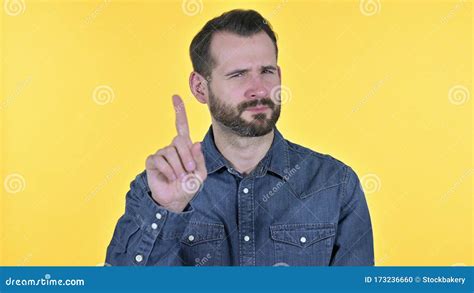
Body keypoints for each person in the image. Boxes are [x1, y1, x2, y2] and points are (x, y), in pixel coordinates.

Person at [105, 9, 374, 266]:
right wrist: (167, 210)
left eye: (266, 71)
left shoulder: (335, 184)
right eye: (238, 74)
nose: (258, 89)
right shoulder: (155, 190)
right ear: (200, 88)